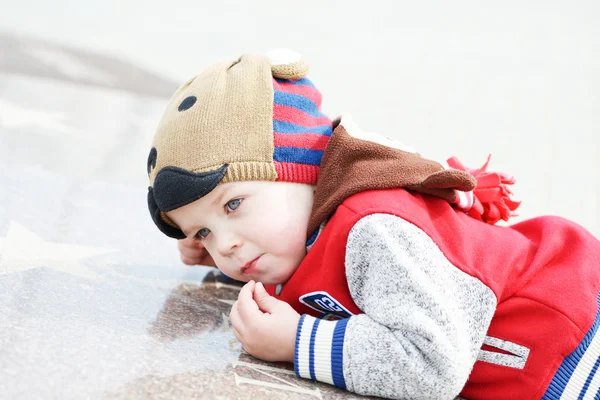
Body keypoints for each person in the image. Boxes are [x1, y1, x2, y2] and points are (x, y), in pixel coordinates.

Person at [146, 49, 600, 400]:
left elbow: (431, 364)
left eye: (233, 205)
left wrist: (298, 341)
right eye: (202, 231)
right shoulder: (304, 226)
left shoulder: (373, 228)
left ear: (302, 170)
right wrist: (216, 244)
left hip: (574, 351)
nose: (223, 245)